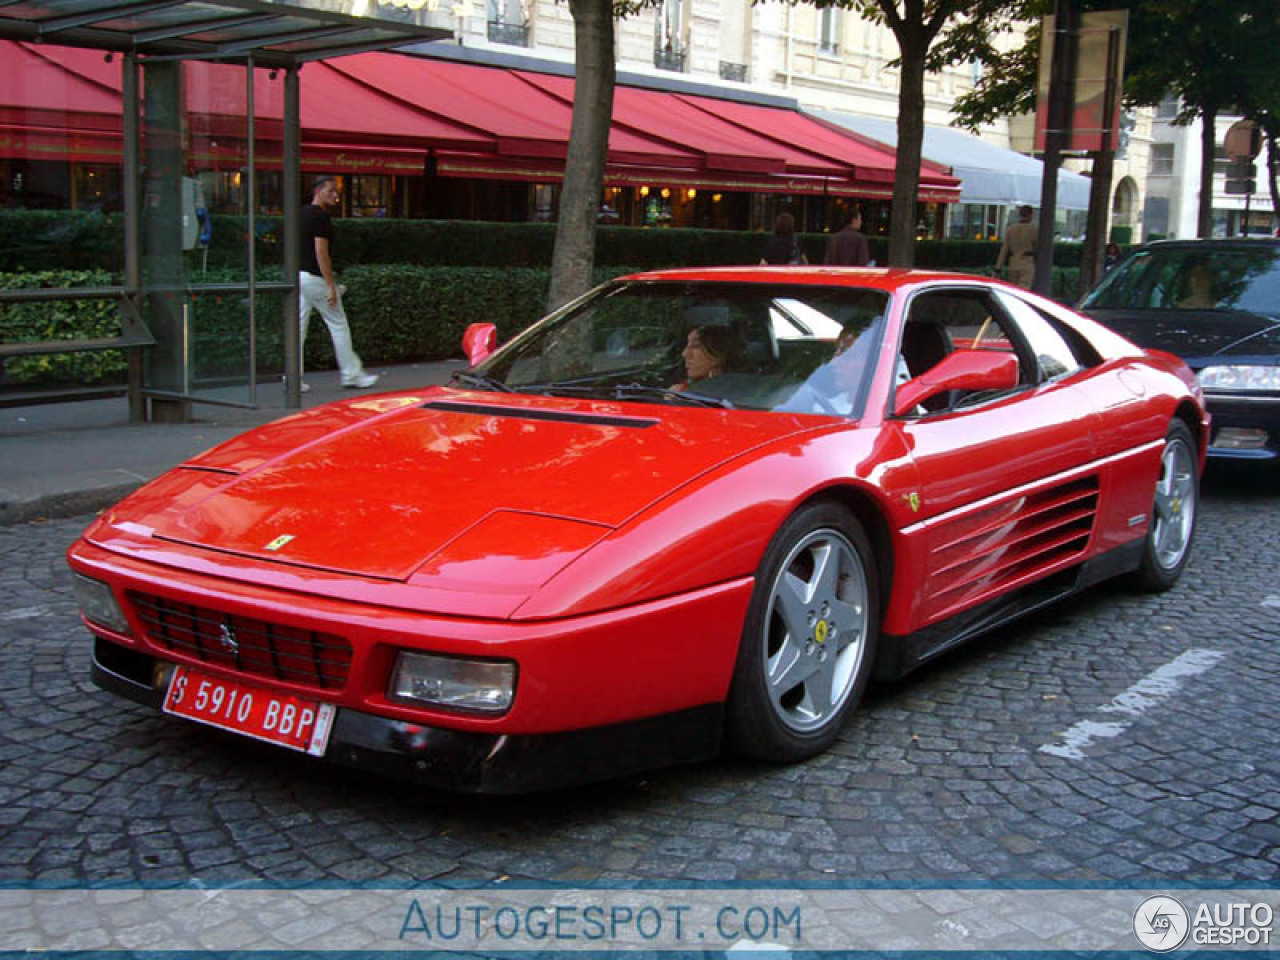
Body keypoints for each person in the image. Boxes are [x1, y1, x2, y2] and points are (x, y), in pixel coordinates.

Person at [298, 176, 379, 390]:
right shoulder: (321, 217)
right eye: (331, 191)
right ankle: (351, 374)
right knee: (338, 324)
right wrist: (331, 284)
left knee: (299, 327)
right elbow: (321, 252)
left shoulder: (301, 213)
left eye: (336, 192)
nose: (335, 196)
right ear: (317, 191)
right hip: (314, 278)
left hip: (297, 277)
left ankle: (292, 377)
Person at [674, 325, 736, 391]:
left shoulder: (737, 397)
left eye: (696, 346)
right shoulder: (677, 393)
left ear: (717, 357)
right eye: (687, 344)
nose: (685, 353)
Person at [995, 205, 1037, 289]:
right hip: (1027, 263)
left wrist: (998, 268)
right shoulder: (1034, 230)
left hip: (1013, 263)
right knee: (1024, 291)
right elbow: (1038, 248)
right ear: (1030, 215)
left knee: (1013, 290)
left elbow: (1004, 250)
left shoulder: (1010, 229)